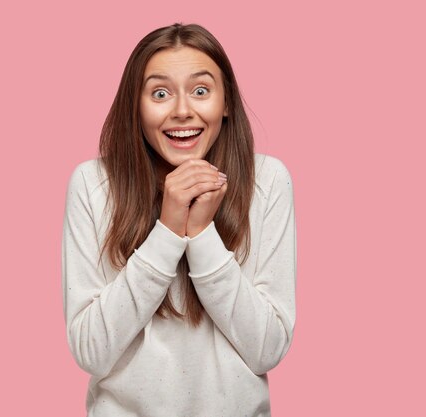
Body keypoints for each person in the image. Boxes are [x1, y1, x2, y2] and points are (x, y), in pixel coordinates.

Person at [62, 22, 296, 417]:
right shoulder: (93, 184)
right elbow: (91, 350)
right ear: (135, 107)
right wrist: (168, 231)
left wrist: (203, 233)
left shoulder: (268, 181)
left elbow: (266, 349)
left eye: (201, 91)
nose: (183, 111)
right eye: (160, 93)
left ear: (226, 104)